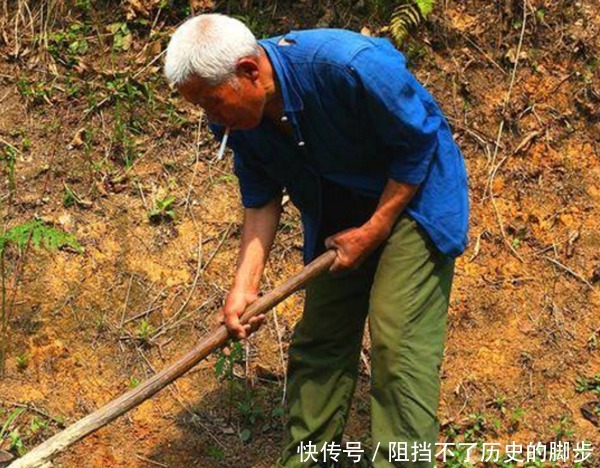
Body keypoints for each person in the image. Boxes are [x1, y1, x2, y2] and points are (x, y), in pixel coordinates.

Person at [164, 13, 469, 468]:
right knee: (320, 342)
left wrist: (374, 229)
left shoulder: (348, 66)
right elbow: (261, 198)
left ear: (249, 71)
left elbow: (417, 144)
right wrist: (244, 286)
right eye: (200, 108)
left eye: (212, 102)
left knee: (397, 344)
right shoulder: (236, 121)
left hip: (412, 199)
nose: (210, 118)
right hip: (339, 213)